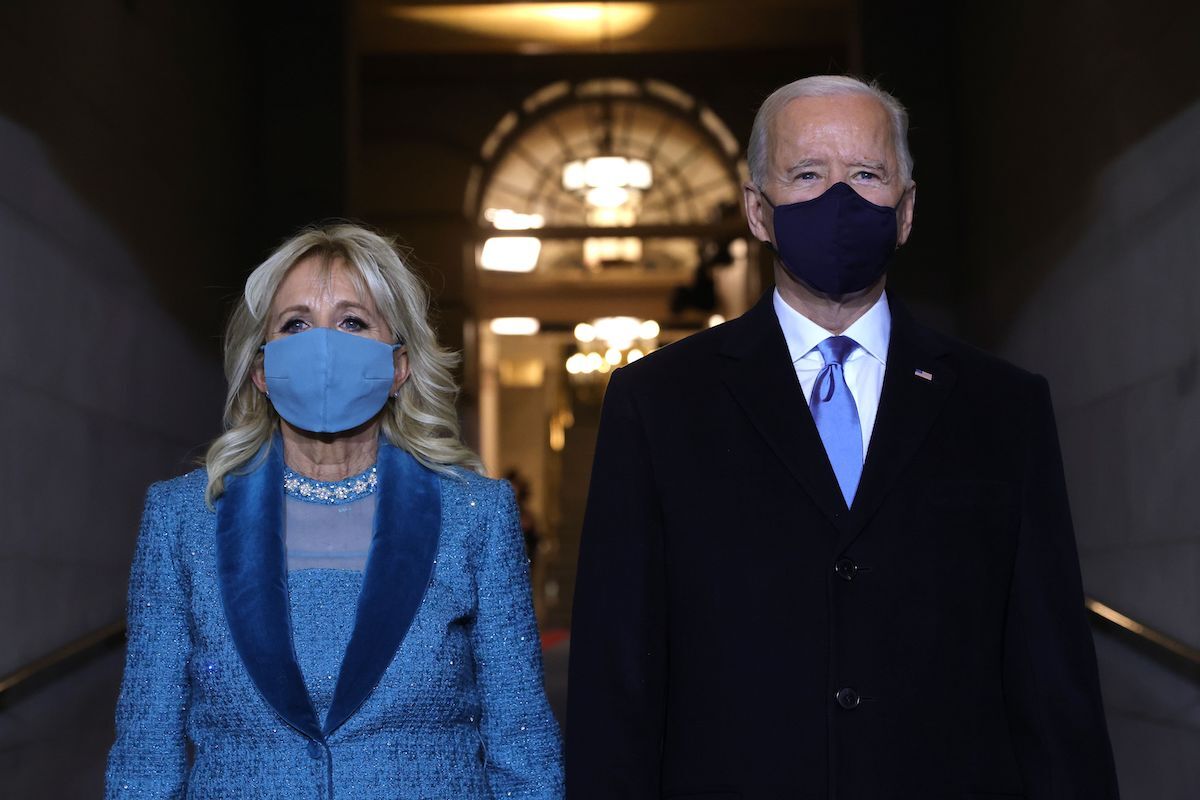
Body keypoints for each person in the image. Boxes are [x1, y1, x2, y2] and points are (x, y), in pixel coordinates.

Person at [566, 76, 1119, 799]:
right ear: (757, 211)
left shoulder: (1004, 409)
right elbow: (618, 676)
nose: (839, 199)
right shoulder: (658, 402)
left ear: (907, 209)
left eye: (866, 174)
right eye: (807, 174)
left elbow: (1054, 679)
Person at [106, 224, 563, 799]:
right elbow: (146, 756)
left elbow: (522, 747)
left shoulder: (475, 516)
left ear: (399, 367)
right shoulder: (183, 519)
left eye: (352, 321)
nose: (323, 346)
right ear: (261, 369)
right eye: (295, 323)